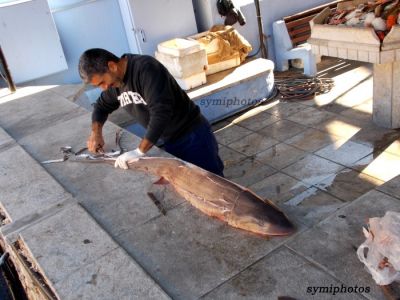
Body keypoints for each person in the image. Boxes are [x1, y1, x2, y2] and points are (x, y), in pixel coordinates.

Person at [78, 48, 224, 177]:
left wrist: (139, 151)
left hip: (193, 136)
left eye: (102, 82)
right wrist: (96, 133)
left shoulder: (146, 68)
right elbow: (101, 107)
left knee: (214, 183)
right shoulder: (114, 83)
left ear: (112, 66)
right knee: (191, 183)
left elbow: (160, 113)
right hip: (170, 141)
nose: (104, 88)